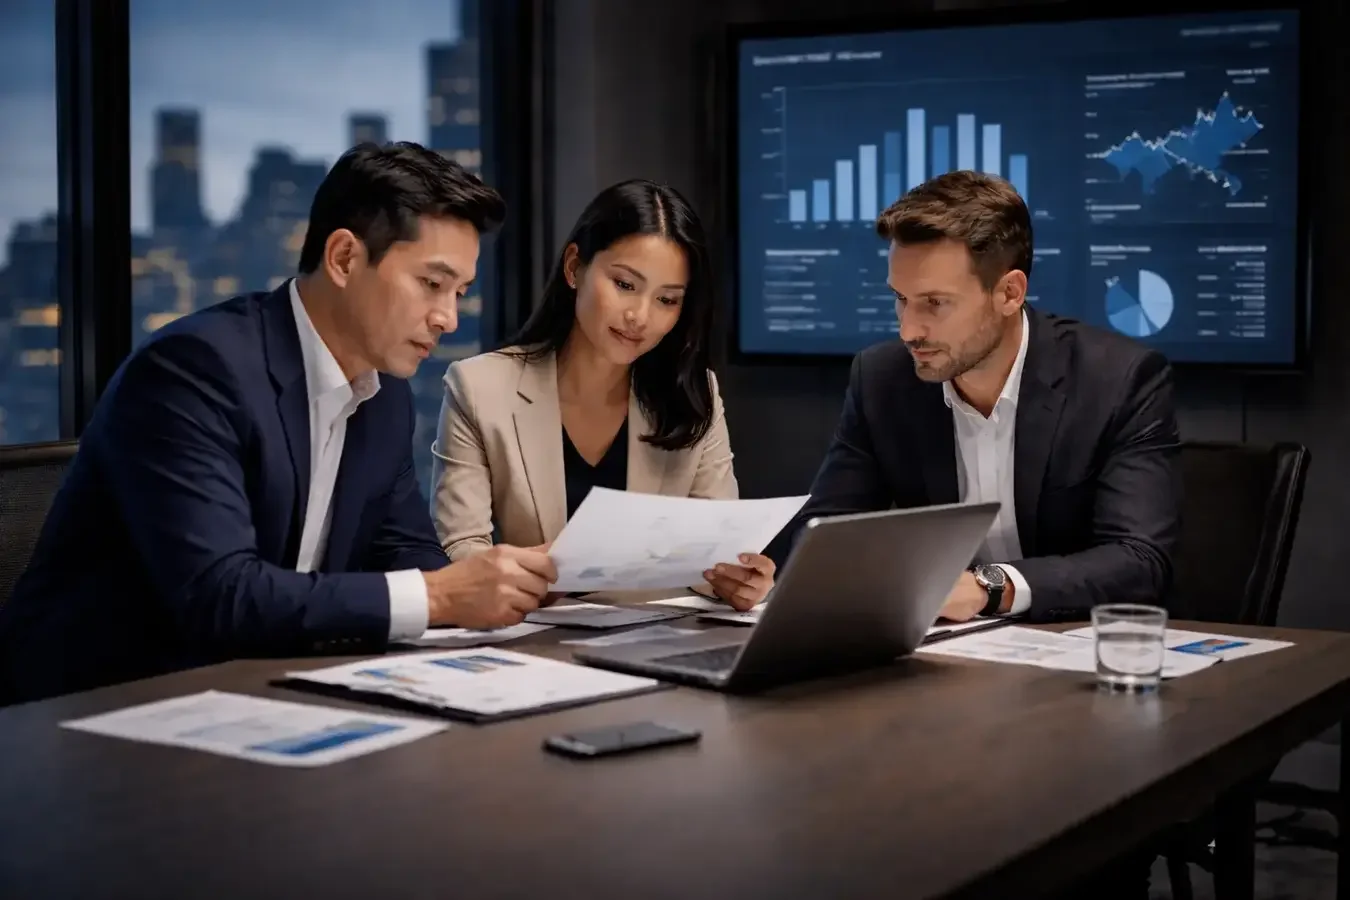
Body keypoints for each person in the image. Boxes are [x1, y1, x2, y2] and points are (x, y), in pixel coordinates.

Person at [0, 142, 557, 705]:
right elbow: (219, 595)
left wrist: (494, 589)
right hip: (99, 707)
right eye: (431, 284)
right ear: (344, 258)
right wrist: (439, 597)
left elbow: (406, 553)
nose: (447, 316)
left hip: (266, 691)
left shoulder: (384, 394)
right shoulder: (195, 370)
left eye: (460, 292)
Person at [783, 170, 1182, 626]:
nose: (908, 330)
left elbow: (1139, 561)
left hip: (1076, 648)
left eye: (935, 303)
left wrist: (989, 587)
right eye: (900, 299)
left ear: (1009, 293)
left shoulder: (1118, 380)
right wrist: (771, 571)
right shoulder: (882, 380)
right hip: (946, 658)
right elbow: (823, 538)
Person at [430, 179, 774, 611]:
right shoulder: (479, 388)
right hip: (534, 647)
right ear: (575, 268)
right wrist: (550, 570)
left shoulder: (695, 392)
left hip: (660, 642)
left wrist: (737, 581)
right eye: (625, 285)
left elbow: (715, 558)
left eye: (667, 300)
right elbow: (459, 557)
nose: (640, 317)